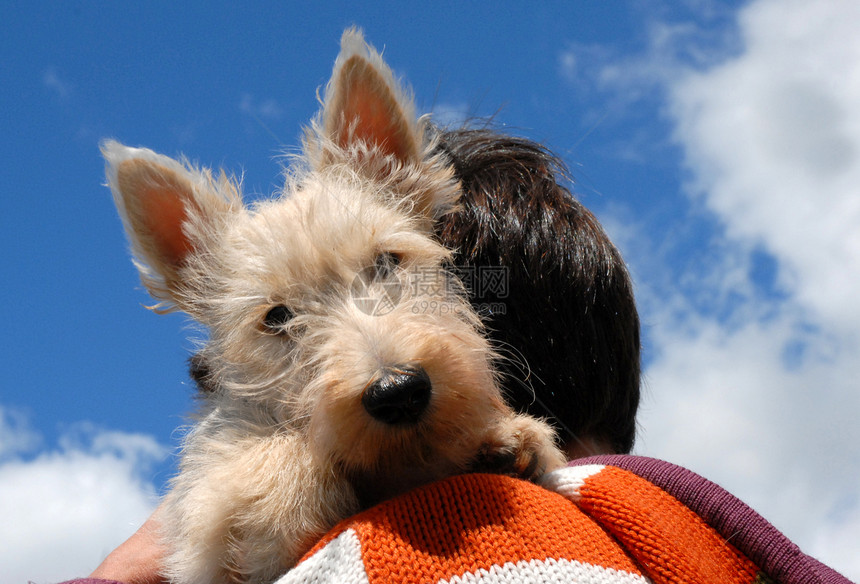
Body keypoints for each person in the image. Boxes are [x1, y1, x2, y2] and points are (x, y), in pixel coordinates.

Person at [66, 130, 851, 584]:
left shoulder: (500, 537)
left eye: (389, 269)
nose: (377, 343)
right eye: (280, 320)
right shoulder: (698, 522)